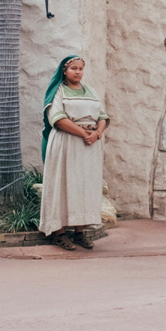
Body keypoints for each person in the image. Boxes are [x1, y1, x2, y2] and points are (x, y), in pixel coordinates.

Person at [40, 55, 109, 250]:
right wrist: (84, 133)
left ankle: (80, 232)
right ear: (64, 70)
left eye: (81, 68)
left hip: (89, 145)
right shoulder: (58, 91)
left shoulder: (91, 91)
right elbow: (58, 118)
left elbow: (102, 115)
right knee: (62, 183)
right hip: (66, 142)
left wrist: (97, 134)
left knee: (84, 185)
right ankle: (59, 233)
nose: (78, 72)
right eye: (74, 69)